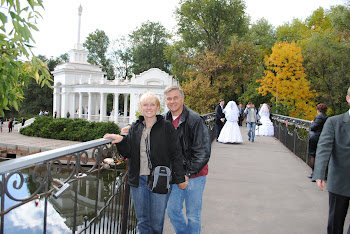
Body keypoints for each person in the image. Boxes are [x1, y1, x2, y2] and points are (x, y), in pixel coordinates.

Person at [104, 92, 187, 233]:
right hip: (139, 180)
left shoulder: (166, 127)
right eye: (145, 105)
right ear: (140, 107)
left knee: (156, 222)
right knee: (142, 220)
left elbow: (176, 154)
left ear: (158, 107)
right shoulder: (136, 127)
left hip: (160, 179)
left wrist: (179, 178)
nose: (149, 108)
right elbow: (128, 152)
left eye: (152, 104)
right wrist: (121, 140)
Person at [164, 85, 211, 234]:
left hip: (195, 175)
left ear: (182, 98)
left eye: (175, 97)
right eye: (169, 98)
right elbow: (148, 128)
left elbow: (203, 152)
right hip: (177, 175)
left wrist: (188, 173)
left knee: (193, 215)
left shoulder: (195, 120)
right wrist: (131, 128)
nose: (172, 101)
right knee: (172, 211)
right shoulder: (165, 119)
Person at [312, 87, 350, 234]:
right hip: (340, 181)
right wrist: (320, 173)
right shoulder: (334, 122)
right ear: (348, 99)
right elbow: (323, 148)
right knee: (335, 223)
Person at [307, 103, 328, 180]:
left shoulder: (319, 117)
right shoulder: (327, 117)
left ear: (318, 110)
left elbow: (313, 128)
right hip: (324, 137)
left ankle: (314, 174)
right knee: (322, 155)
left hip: (315, 138)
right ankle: (323, 174)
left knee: (313, 155)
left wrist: (312, 123)